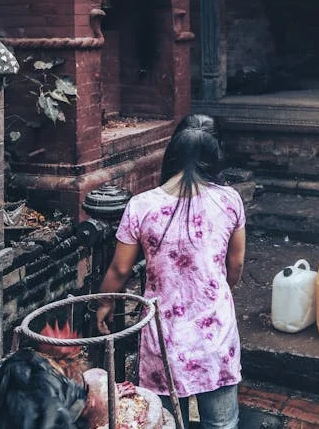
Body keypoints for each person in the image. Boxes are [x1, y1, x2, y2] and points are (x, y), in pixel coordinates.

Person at [96, 113, 246, 429]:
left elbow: (120, 268)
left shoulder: (141, 205)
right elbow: (236, 265)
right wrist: (218, 287)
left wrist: (105, 303)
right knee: (220, 423)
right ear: (216, 155)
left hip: (162, 334)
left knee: (160, 420)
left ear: (172, 153)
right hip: (214, 330)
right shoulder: (230, 201)